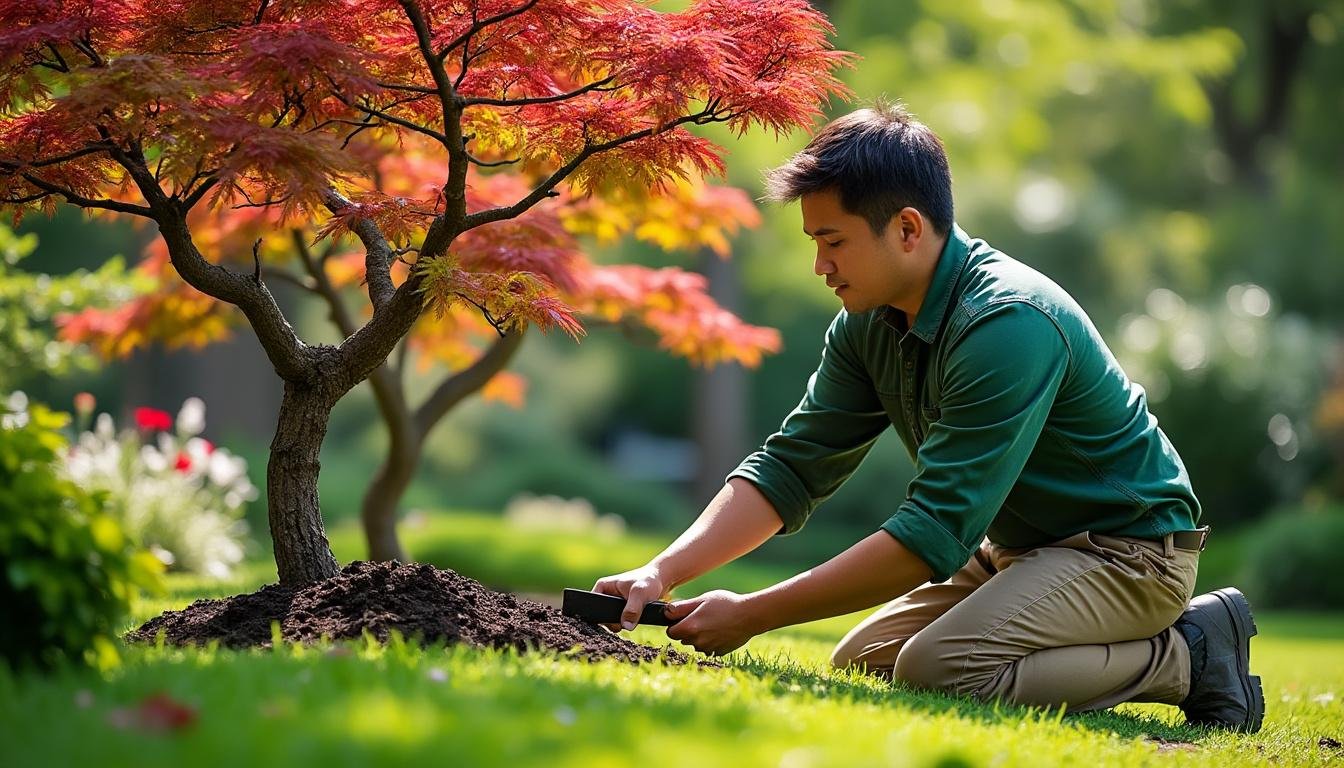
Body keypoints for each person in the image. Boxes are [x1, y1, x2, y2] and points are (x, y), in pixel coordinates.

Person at [592, 102, 1263, 732]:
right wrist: (662, 572)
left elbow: (932, 532)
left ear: (908, 229)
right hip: (1020, 552)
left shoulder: (1008, 323)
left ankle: (1191, 652)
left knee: (937, 668)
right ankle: (1171, 649)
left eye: (834, 241)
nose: (820, 266)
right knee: (866, 658)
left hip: (1131, 554)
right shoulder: (868, 323)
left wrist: (754, 614)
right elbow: (792, 467)